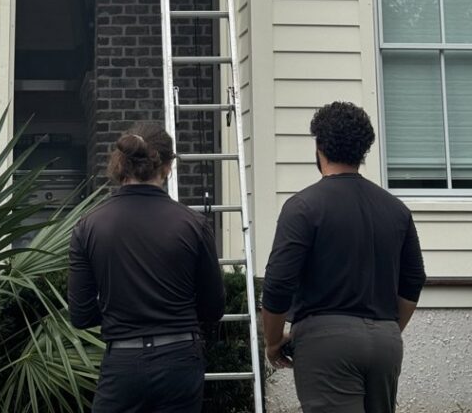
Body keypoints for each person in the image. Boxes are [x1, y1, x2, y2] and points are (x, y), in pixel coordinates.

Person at [262, 101, 426, 413]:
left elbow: (278, 283)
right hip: (385, 340)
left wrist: (272, 342)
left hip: (325, 343)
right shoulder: (396, 210)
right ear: (363, 150)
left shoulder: (303, 207)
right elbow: (413, 280)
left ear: (319, 146)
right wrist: (388, 329)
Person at [68, 121, 225, 413]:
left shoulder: (88, 227)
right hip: (179, 359)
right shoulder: (193, 224)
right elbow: (213, 308)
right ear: (168, 167)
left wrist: (119, 312)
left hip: (122, 363)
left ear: (121, 164)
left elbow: (80, 315)